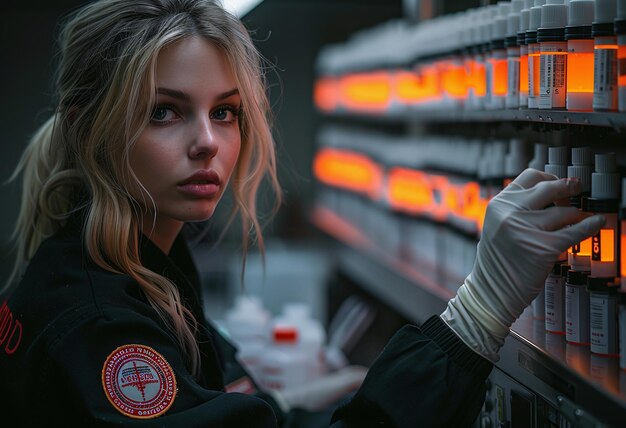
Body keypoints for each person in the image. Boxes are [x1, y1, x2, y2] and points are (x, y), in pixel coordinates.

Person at [0, 0, 605, 426]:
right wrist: (481, 308)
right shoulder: (96, 324)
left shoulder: (138, 261)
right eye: (164, 111)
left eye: (225, 112)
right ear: (87, 129)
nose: (207, 142)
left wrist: (280, 407)